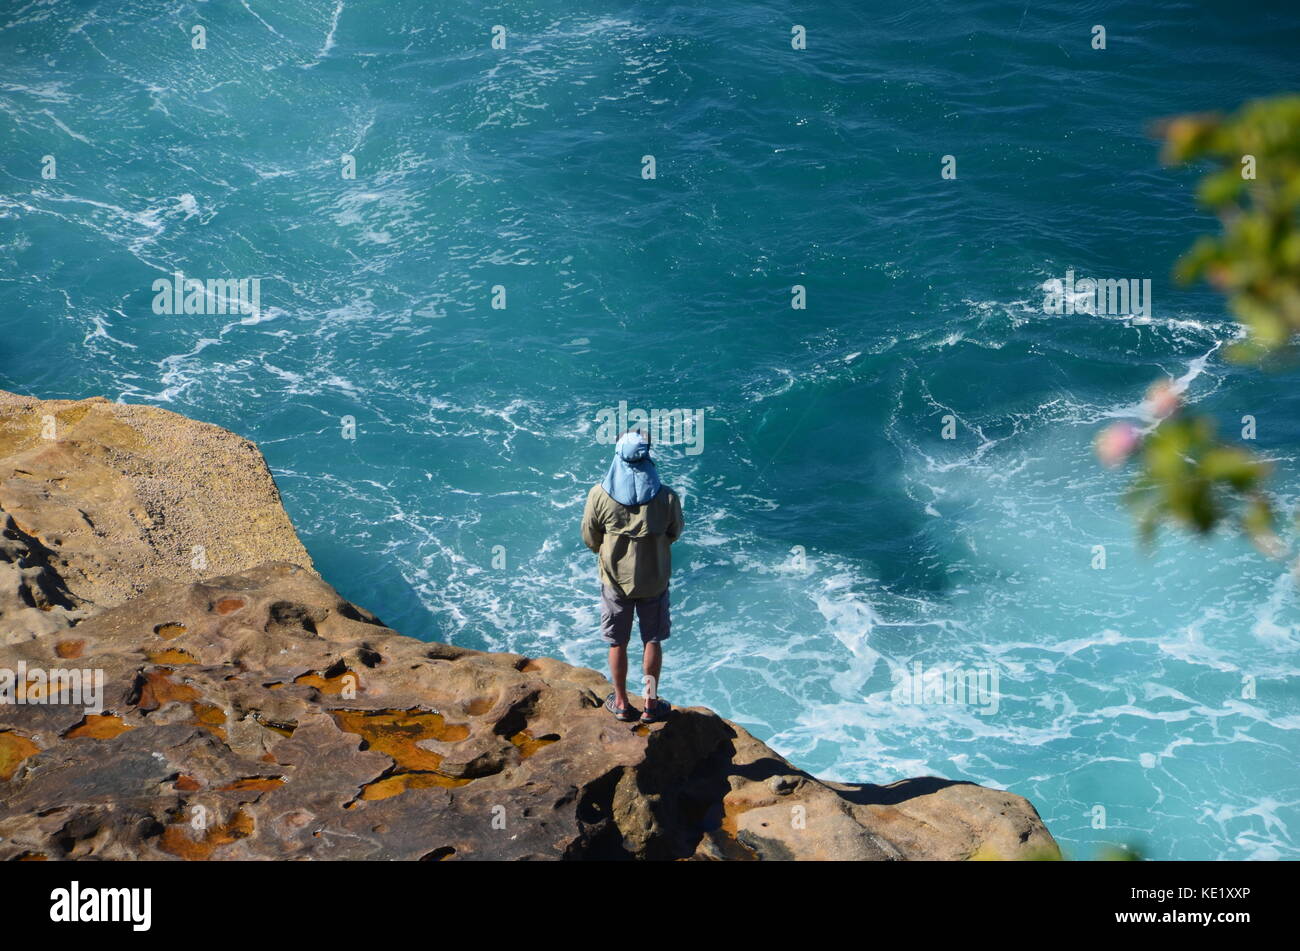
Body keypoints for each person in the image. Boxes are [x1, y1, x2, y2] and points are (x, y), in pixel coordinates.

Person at [581, 429, 683, 723]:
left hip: (614, 580)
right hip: (654, 579)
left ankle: (622, 703)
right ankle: (650, 704)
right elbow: (675, 532)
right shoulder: (666, 496)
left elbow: (590, 537)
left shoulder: (599, 494)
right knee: (652, 639)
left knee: (618, 642)